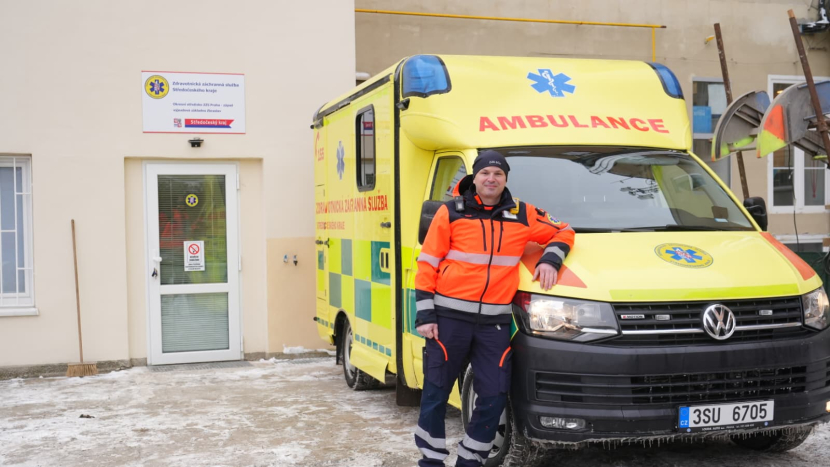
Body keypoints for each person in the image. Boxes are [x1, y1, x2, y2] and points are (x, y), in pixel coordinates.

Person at [413, 150, 575, 467]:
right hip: (448, 320)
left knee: (493, 395)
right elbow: (427, 263)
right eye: (485, 173)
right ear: (474, 178)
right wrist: (425, 315)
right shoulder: (451, 212)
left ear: (505, 179)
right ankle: (430, 460)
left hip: (495, 325)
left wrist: (550, 259)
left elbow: (563, 230)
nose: (491, 179)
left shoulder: (523, 213)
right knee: (435, 392)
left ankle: (471, 459)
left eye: (498, 174)